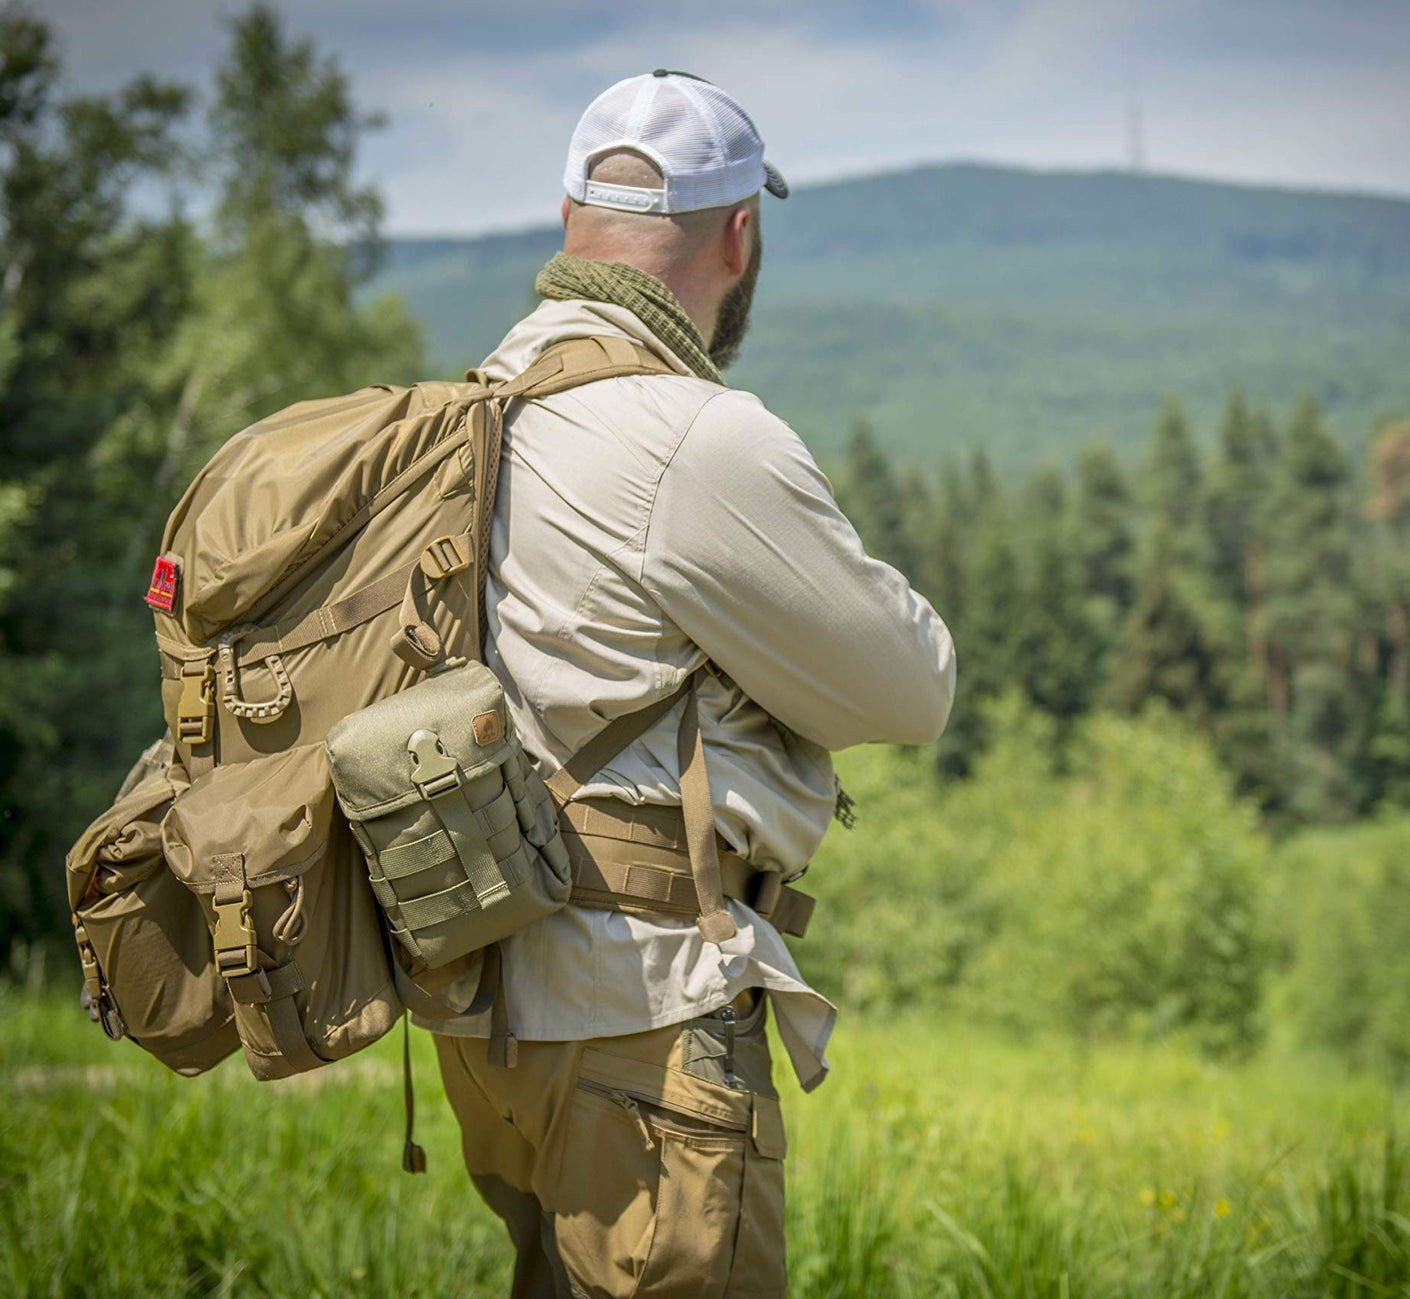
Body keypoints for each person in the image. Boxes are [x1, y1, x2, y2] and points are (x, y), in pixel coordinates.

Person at [421, 70, 956, 1298]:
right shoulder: (695, 436)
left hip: (480, 997)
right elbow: (911, 686)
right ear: (740, 234)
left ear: (568, 218)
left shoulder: (471, 404)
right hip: (639, 1009)